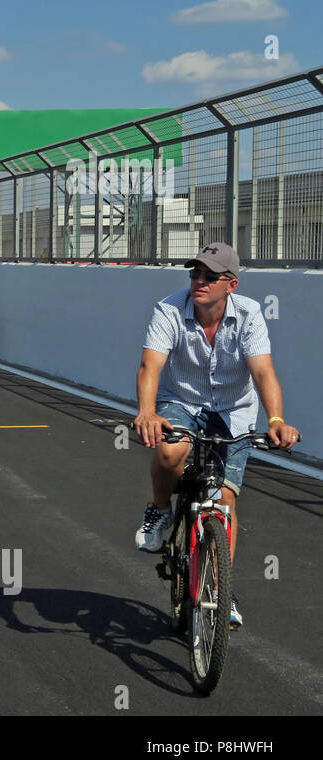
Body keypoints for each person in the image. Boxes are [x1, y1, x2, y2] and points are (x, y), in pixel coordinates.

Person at [132, 243, 300, 630]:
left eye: (209, 276)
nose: (199, 282)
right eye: (194, 274)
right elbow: (150, 365)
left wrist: (275, 418)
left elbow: (263, 372)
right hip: (182, 401)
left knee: (223, 498)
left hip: (233, 410)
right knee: (171, 451)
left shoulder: (249, 315)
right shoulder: (169, 309)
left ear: (231, 284)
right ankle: (160, 510)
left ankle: (221, 590)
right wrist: (147, 411)